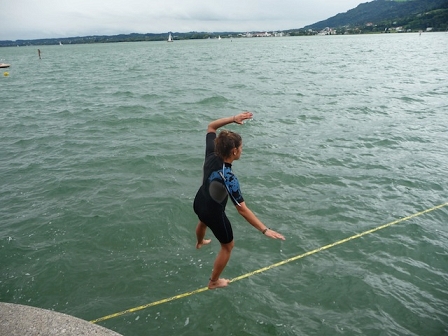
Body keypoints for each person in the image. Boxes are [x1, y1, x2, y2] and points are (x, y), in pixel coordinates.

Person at [193, 112, 285, 289]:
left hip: (199, 202)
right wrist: (264, 230)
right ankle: (213, 282)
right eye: (241, 147)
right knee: (228, 246)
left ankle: (199, 242)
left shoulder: (211, 153)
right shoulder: (228, 177)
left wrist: (233, 118)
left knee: (202, 221)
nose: (242, 150)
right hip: (214, 212)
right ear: (234, 151)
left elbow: (211, 126)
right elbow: (242, 209)